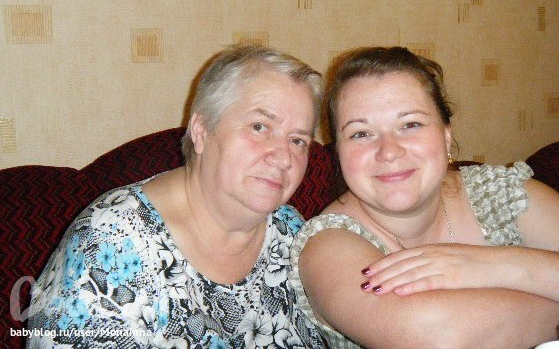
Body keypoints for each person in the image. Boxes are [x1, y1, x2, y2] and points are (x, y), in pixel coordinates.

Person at [27, 44, 325, 348]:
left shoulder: (290, 230)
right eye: (259, 127)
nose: (284, 158)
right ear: (201, 130)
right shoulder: (110, 244)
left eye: (298, 141)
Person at [289, 46, 559, 348]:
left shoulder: (502, 193)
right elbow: (436, 336)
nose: (389, 151)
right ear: (338, 152)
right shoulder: (328, 244)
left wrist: (490, 264)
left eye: (410, 124)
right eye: (361, 133)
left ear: (446, 135)